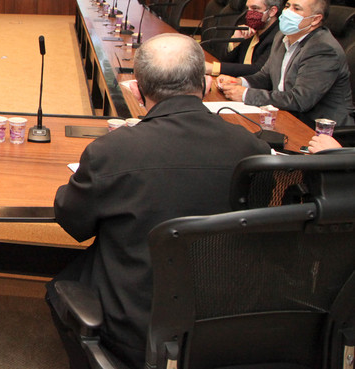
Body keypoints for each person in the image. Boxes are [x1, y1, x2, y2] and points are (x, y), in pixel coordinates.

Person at [50, 34, 270, 369]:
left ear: (137, 92)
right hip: (228, 323)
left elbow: (74, 222)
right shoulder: (253, 149)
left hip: (134, 329)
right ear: (206, 84)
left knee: (61, 288)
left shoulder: (113, 150)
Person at [219, 0, 355, 127]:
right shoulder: (282, 37)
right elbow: (265, 76)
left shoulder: (323, 49)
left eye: (296, 8)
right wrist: (239, 82)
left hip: (319, 127)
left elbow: (300, 100)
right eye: (287, 6)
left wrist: (246, 94)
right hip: (286, 115)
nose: (287, 12)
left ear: (315, 19)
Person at [208, 0, 282, 77]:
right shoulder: (249, 27)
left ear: (272, 11)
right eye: (248, 8)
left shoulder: (278, 36)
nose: (249, 14)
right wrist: (235, 41)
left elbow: (258, 70)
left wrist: (213, 68)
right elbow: (227, 61)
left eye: (255, 8)